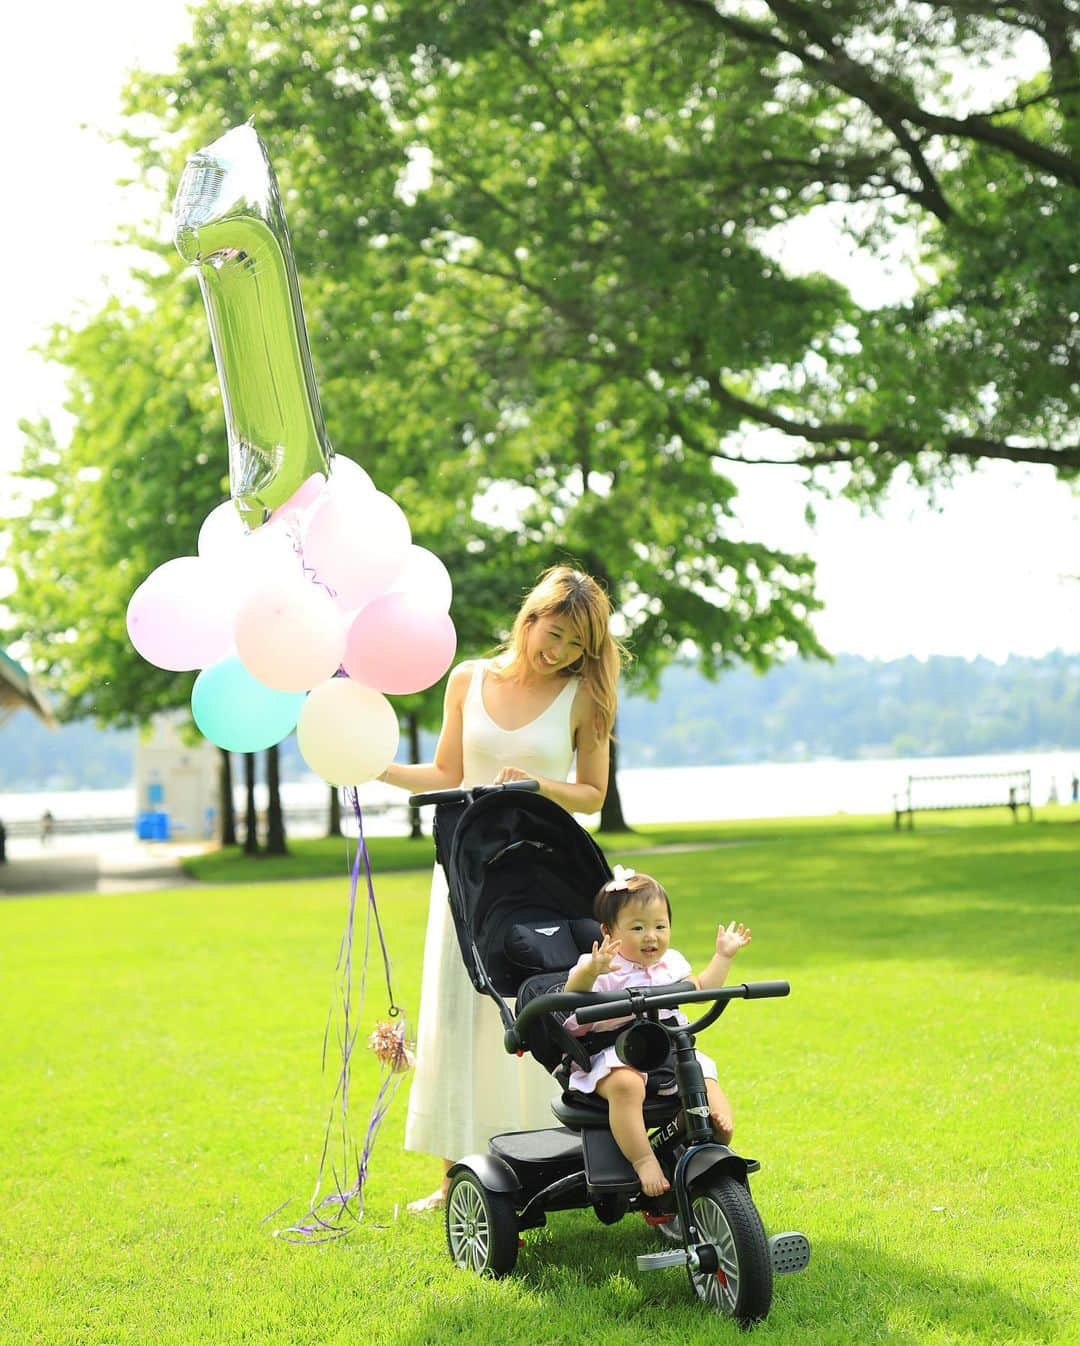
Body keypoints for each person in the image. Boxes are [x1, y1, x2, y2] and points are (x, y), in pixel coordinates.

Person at [378, 564, 626, 1211]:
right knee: (461, 1017)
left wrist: (538, 786)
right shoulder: (468, 679)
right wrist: (372, 764)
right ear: (532, 617)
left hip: (540, 879)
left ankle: (545, 1162)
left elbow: (593, 795)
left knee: (528, 1013)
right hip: (467, 878)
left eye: (578, 646)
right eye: (557, 633)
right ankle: (453, 1176)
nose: (561, 652)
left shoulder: (585, 699)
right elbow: (444, 772)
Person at [562, 866, 751, 1197]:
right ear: (608, 931)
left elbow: (702, 986)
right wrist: (591, 971)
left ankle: (717, 1129)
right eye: (637, 927)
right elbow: (571, 997)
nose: (651, 936)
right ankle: (643, 1159)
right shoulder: (602, 965)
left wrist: (723, 956)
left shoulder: (671, 964)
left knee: (702, 1074)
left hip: (668, 1047)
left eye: (660, 926)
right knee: (626, 1085)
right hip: (618, 1052)